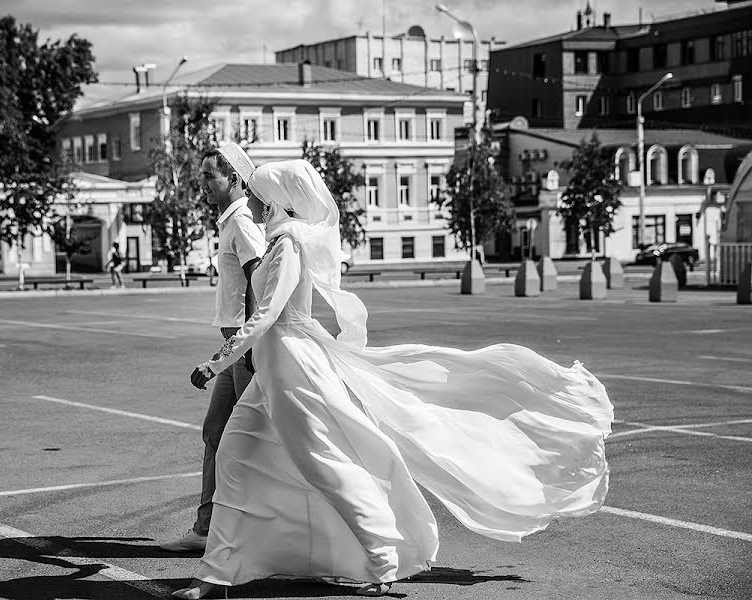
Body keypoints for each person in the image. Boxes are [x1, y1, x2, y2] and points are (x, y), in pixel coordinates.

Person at [173, 160, 613, 599]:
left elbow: (269, 314)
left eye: (259, 194)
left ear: (276, 201)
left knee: (324, 465)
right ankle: (217, 574)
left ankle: (382, 557)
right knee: (234, 452)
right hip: (273, 366)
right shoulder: (277, 241)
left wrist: (215, 363)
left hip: (290, 367)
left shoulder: (288, 243)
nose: (252, 200)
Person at [159, 143, 266, 553]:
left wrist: (249, 347)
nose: (201, 182)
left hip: (244, 348)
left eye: (209, 176)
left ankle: (255, 533)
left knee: (251, 441)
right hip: (233, 346)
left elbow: (257, 278)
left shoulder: (242, 222)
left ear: (234, 180)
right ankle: (205, 529)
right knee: (215, 432)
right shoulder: (229, 222)